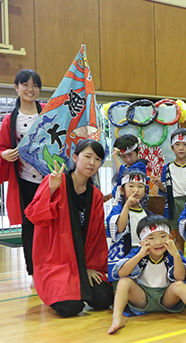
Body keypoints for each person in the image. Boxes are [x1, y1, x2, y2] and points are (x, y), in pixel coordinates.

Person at [25, 139, 113, 317]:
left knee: (104, 298)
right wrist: (50, 191)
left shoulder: (95, 195)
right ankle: (60, 291)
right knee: (70, 307)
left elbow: (96, 237)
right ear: (75, 157)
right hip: (57, 261)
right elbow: (34, 215)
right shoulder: (55, 182)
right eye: (87, 156)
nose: (92, 163)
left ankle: (77, 285)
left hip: (82, 262)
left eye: (97, 159)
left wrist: (88, 267)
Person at [108, 215, 186, 334]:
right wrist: (139, 255)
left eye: (163, 236)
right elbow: (122, 273)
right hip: (142, 298)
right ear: (142, 241)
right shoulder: (137, 252)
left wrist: (176, 256)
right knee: (124, 282)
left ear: (170, 237)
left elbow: (179, 278)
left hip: (166, 298)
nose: (158, 242)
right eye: (151, 238)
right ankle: (117, 318)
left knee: (179, 285)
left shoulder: (172, 252)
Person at [0, 69, 44, 277]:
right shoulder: (10, 119)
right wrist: (5, 154)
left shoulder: (48, 112)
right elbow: (2, 148)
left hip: (50, 180)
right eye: (25, 84)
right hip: (25, 181)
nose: (30, 89)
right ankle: (33, 270)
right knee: (30, 227)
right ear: (16, 88)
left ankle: (53, 267)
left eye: (35, 85)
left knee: (54, 224)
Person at [153, 128, 186, 252]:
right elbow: (165, 190)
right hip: (172, 203)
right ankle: (178, 260)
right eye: (177, 145)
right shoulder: (167, 168)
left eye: (185, 145)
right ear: (172, 148)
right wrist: (160, 185)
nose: (181, 148)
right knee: (175, 234)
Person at [106, 170, 151, 281]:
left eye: (140, 187)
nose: (136, 190)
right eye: (131, 186)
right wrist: (126, 206)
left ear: (145, 191)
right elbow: (120, 229)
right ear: (122, 190)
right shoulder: (118, 209)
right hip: (123, 255)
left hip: (142, 253)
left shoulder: (147, 213)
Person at [106, 134, 147, 202]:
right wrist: (108, 196)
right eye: (123, 157)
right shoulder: (126, 167)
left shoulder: (140, 166)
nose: (128, 159)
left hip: (135, 202)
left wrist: (115, 157)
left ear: (138, 151)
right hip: (123, 201)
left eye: (130, 155)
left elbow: (125, 174)